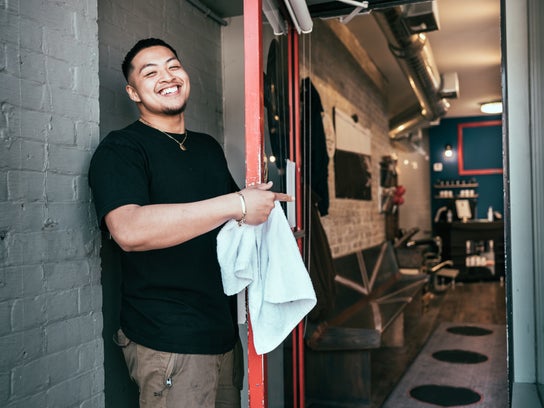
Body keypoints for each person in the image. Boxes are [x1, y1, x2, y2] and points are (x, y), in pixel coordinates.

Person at [88, 38, 292, 408]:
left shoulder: (207, 147)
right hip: (168, 341)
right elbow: (128, 230)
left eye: (173, 66)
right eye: (150, 73)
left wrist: (257, 209)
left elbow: (232, 221)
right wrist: (235, 202)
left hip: (223, 334)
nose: (167, 76)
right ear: (133, 92)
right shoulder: (122, 149)